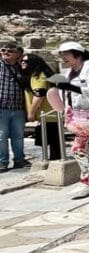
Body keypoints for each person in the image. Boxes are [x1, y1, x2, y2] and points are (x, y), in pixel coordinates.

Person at [56, 42, 89, 199]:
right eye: (61, 54)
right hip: (78, 115)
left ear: (77, 54)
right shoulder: (70, 72)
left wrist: (73, 88)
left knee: (77, 148)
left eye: (66, 54)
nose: (63, 57)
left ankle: (87, 183)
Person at [21, 53, 61, 161]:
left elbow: (39, 95)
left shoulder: (38, 76)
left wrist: (31, 112)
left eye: (26, 61)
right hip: (51, 114)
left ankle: (51, 165)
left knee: (52, 144)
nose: (22, 63)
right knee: (55, 144)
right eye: (22, 61)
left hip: (47, 114)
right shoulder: (41, 74)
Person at [0, 41, 28, 171]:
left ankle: (19, 160)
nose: (5, 53)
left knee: (18, 136)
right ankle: (2, 161)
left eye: (9, 51)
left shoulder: (22, 67)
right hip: (2, 107)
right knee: (1, 136)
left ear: (17, 54)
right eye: (3, 50)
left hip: (18, 107)